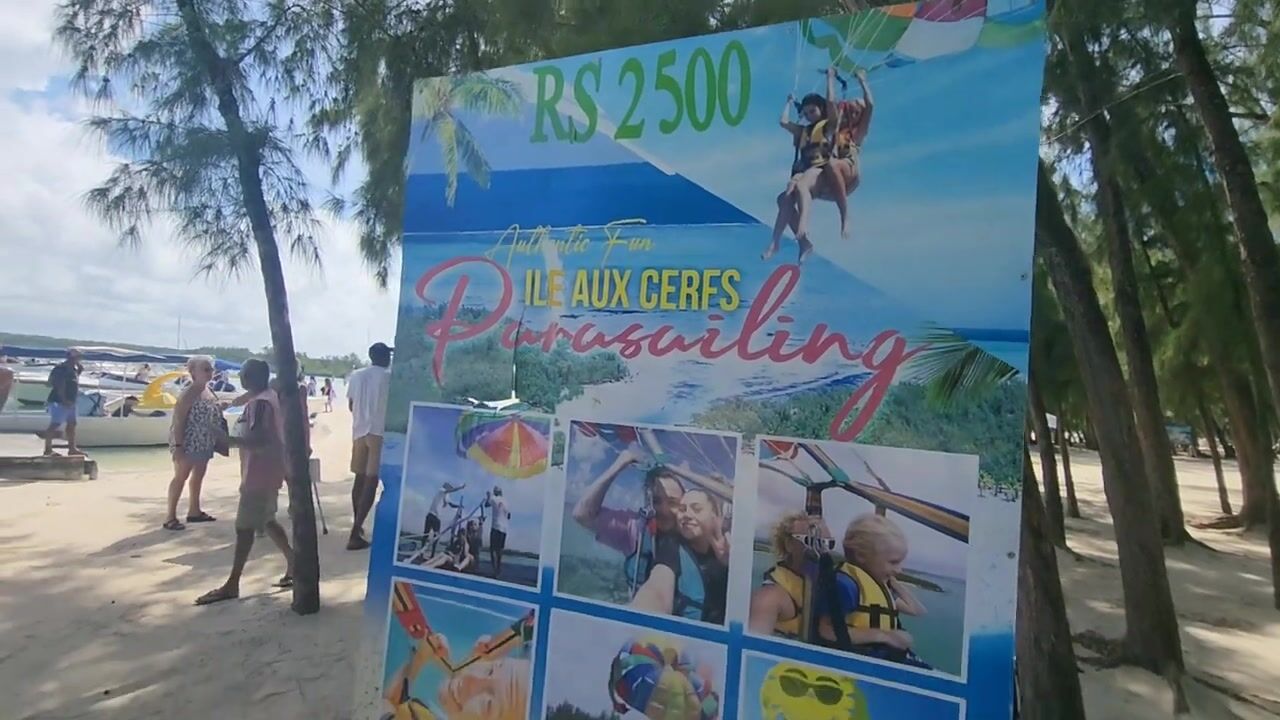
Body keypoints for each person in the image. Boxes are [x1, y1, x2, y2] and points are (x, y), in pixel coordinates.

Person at [195, 359, 295, 606]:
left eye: (243, 373)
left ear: (250, 378)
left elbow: (259, 441)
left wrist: (225, 439)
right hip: (268, 470)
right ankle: (294, 564)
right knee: (267, 520)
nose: (240, 377)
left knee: (244, 528)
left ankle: (232, 583)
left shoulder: (260, 404)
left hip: (260, 472)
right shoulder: (267, 396)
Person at [570, 446, 686, 594]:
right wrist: (618, 465)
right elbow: (581, 515)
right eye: (656, 501)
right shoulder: (635, 530)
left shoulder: (695, 528)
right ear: (647, 502)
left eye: (673, 502)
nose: (664, 510)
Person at [829, 513, 928, 666]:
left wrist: (894, 582)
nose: (899, 570)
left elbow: (918, 611)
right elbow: (827, 631)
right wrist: (885, 636)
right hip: (864, 661)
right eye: (893, 562)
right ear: (861, 556)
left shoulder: (879, 588)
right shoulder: (847, 586)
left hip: (886, 656)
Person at [629, 488, 730, 624]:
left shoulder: (731, 550)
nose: (686, 514)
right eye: (682, 509)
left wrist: (730, 565)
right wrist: (640, 618)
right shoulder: (671, 546)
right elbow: (658, 588)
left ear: (715, 516)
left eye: (697, 509)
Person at [748, 512, 837, 638]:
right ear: (789, 544)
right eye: (810, 541)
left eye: (827, 544)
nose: (820, 550)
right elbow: (753, 645)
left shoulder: (835, 593)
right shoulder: (769, 599)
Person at [163, 355, 222, 530]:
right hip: (187, 440)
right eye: (206, 369)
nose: (210, 372)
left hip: (204, 440)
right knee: (181, 476)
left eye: (211, 369)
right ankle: (170, 516)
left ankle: (194, 511)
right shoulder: (189, 393)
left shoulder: (208, 390)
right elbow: (179, 420)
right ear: (193, 372)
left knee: (198, 476)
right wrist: (178, 446)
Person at [346, 342, 393, 550]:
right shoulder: (388, 377)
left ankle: (358, 524)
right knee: (371, 481)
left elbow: (351, 405)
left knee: (359, 478)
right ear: (385, 357)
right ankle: (355, 532)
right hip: (378, 430)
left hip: (359, 430)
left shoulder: (356, 376)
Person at [39, 349, 84, 456]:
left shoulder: (73, 368)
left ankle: (72, 448)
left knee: (72, 424)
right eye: (77, 357)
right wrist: (64, 400)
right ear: (70, 357)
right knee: (55, 424)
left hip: (71, 401)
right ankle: (48, 449)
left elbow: (78, 374)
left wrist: (79, 366)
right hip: (59, 401)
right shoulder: (61, 369)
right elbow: (59, 385)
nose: (79, 359)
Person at [424, 482, 465, 553]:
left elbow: (451, 504)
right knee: (426, 534)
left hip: (436, 517)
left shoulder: (446, 495)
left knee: (436, 536)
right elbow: (451, 490)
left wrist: (459, 506)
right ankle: (422, 551)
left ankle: (432, 554)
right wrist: (460, 487)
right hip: (431, 515)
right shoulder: (441, 490)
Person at [485, 487, 511, 577]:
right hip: (504, 529)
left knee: (492, 549)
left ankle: (494, 570)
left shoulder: (493, 498)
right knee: (499, 550)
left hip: (496, 527)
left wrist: (488, 496)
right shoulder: (506, 502)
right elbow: (509, 516)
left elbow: (486, 505)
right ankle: (498, 569)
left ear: (495, 492)